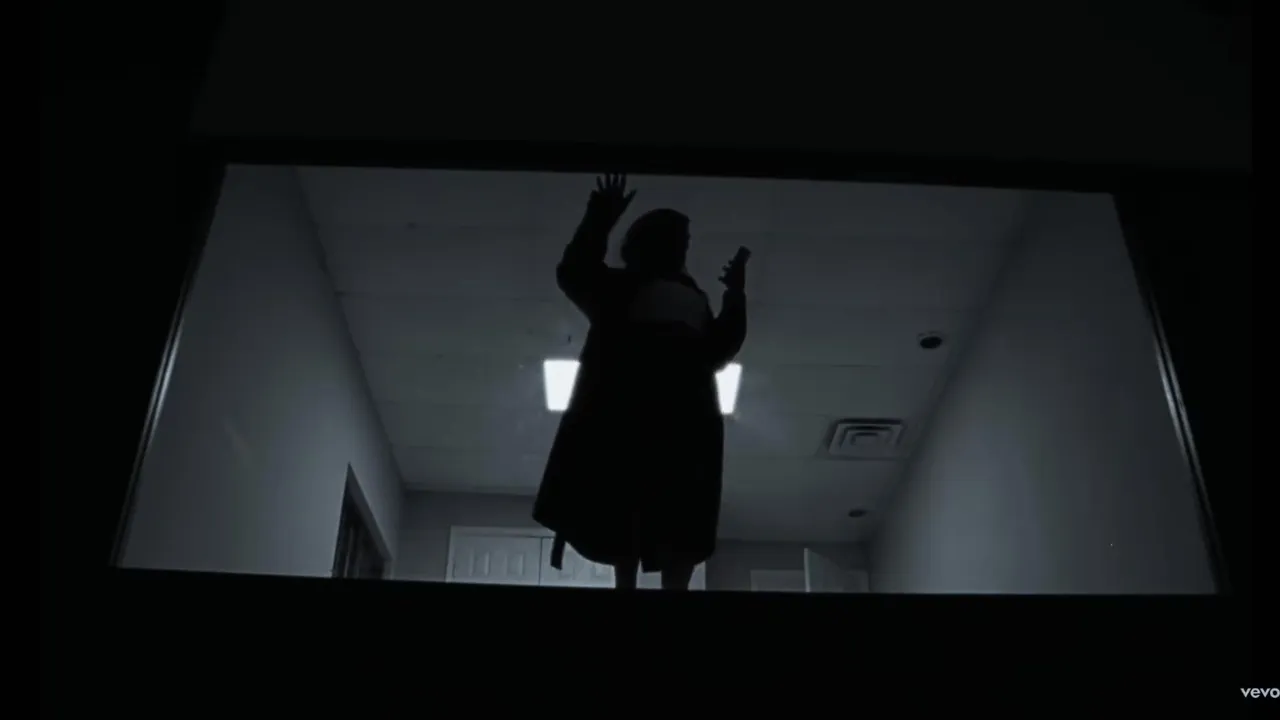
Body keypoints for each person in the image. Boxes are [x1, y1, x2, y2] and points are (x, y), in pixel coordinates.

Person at [532, 174, 749, 590]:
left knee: (677, 499)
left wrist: (735, 295)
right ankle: (628, 584)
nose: (683, 249)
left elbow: (719, 347)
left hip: (683, 412)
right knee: (631, 490)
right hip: (634, 406)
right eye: (678, 241)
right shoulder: (625, 286)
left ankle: (663, 585)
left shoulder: (688, 296)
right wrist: (599, 219)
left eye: (684, 242)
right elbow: (575, 273)